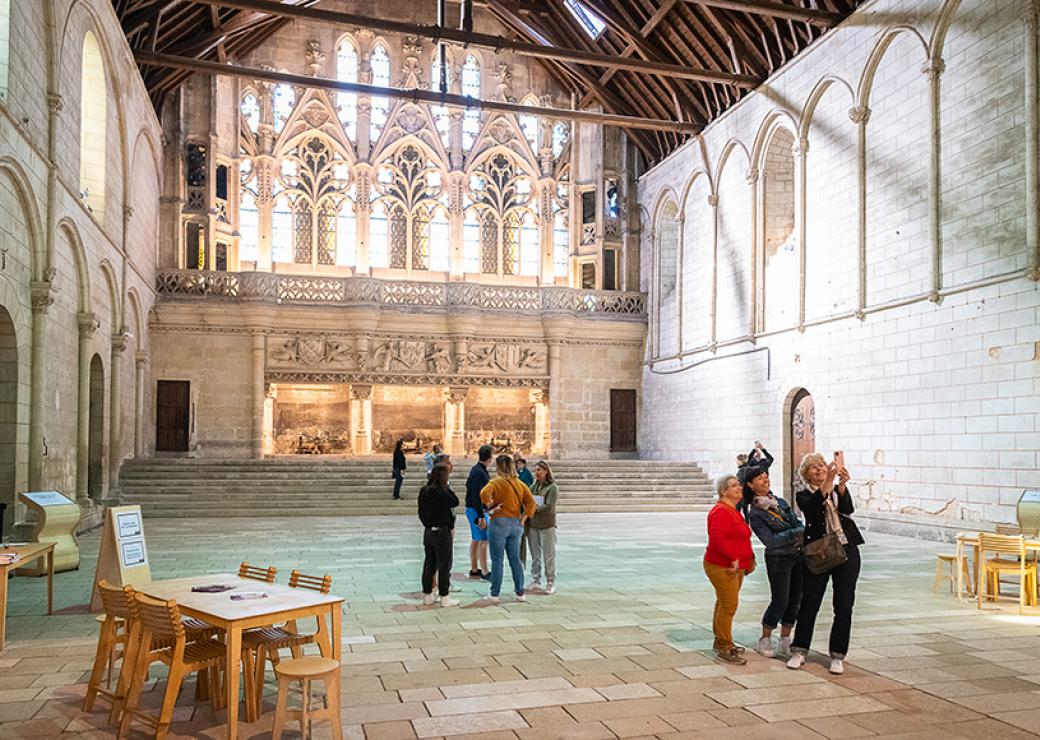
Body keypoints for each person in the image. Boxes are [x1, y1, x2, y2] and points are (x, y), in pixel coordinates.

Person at [787, 452, 863, 676]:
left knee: (844, 604)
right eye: (814, 467)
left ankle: (838, 654)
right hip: (818, 553)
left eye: (822, 465)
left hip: (846, 550)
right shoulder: (803, 495)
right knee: (810, 602)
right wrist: (829, 481)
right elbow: (812, 509)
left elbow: (848, 510)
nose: (820, 469)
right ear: (805, 474)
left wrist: (841, 485)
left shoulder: (835, 492)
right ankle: (799, 650)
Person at [745, 466, 804, 659]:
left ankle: (785, 638)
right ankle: (765, 638)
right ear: (751, 485)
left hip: (797, 555)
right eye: (760, 478)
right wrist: (796, 533)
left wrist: (796, 531)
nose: (765, 480)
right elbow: (770, 541)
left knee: (796, 599)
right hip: (778, 559)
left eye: (766, 476)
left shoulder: (779, 502)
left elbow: (796, 522)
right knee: (780, 600)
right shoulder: (755, 512)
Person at [703, 474, 755, 664]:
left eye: (739, 485)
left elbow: (739, 538)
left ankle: (720, 641)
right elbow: (717, 540)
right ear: (723, 491)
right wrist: (733, 558)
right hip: (722, 565)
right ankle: (725, 646)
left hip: (734, 566)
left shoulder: (732, 510)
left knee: (723, 603)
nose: (739, 488)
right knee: (729, 605)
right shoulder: (721, 512)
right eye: (734, 486)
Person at [480, 455, 536, 604]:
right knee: (515, 559)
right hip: (516, 523)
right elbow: (531, 503)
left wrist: (489, 503)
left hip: (499, 522)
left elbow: (484, 493)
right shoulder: (520, 484)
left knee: (497, 559)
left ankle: (495, 593)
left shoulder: (496, 482)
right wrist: (524, 517)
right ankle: (520, 592)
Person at [417, 463, 460, 607]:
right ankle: (444, 597)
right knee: (444, 565)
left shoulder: (425, 491)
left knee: (429, 564)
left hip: (428, 531)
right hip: (442, 532)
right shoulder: (442, 491)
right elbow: (455, 501)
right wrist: (447, 486)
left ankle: (428, 595)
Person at [528, 460, 559, 594]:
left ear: (546, 471)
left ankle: (550, 581)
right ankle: (535, 579)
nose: (537, 473)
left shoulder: (552, 487)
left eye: (540, 470)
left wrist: (534, 509)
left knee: (548, 555)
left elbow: (549, 506)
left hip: (546, 524)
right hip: (533, 525)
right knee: (535, 554)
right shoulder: (533, 487)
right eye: (536, 470)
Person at [465, 445, 493, 579]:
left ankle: (475, 568)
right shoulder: (479, 472)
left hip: (475, 509)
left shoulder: (477, 470)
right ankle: (485, 570)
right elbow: (477, 494)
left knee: (476, 539)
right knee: (483, 539)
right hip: (477, 510)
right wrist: (481, 515)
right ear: (489, 457)